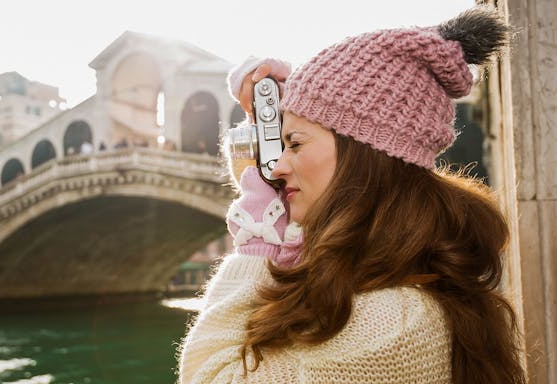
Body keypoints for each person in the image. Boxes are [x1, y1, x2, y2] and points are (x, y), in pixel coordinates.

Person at [178, 6, 526, 384]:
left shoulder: (392, 328)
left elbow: (210, 377)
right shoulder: (385, 281)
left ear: (362, 152)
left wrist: (258, 235)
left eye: (293, 143)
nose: (275, 167)